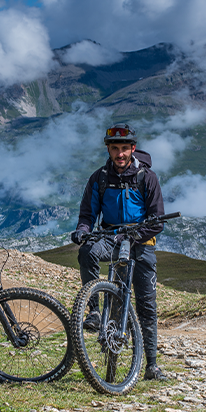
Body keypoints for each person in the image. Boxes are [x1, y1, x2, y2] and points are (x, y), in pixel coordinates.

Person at [71, 123, 168, 381]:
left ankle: (152, 366)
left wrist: (134, 235)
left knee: (146, 305)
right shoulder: (99, 178)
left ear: (133, 148)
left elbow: (157, 220)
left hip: (141, 244)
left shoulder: (147, 177)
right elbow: (87, 214)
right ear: (109, 149)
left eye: (125, 148)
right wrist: (83, 230)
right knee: (87, 252)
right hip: (111, 239)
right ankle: (92, 311)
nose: (120, 154)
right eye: (115, 148)